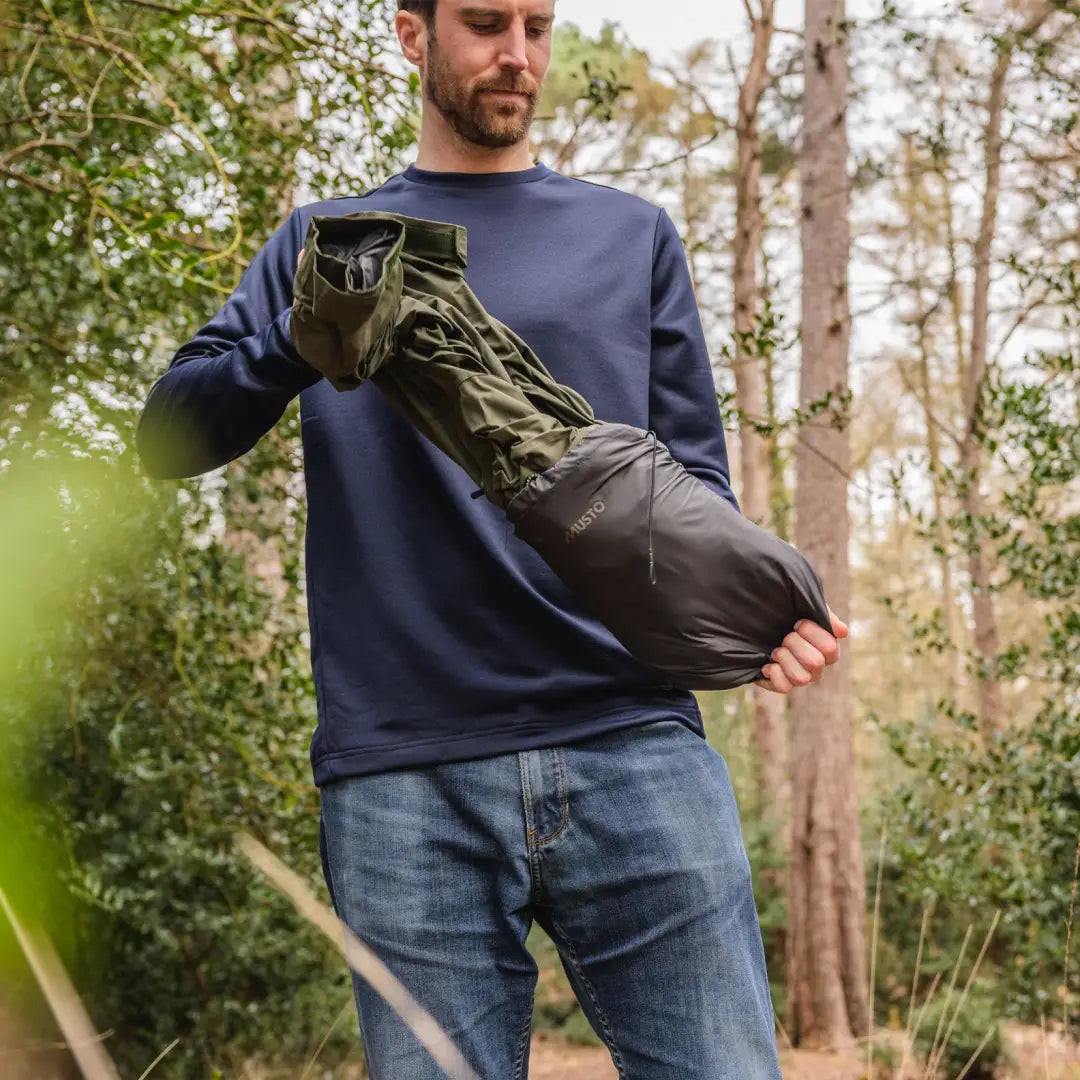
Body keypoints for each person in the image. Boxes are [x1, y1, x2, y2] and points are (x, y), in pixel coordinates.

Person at [136, 1, 848, 1076]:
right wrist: (301, 335)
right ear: (412, 36)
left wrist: (756, 617)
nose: (518, 53)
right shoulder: (328, 243)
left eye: (537, 24)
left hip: (635, 747)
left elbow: (694, 486)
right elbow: (169, 436)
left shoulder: (631, 235)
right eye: (483, 22)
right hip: (403, 776)